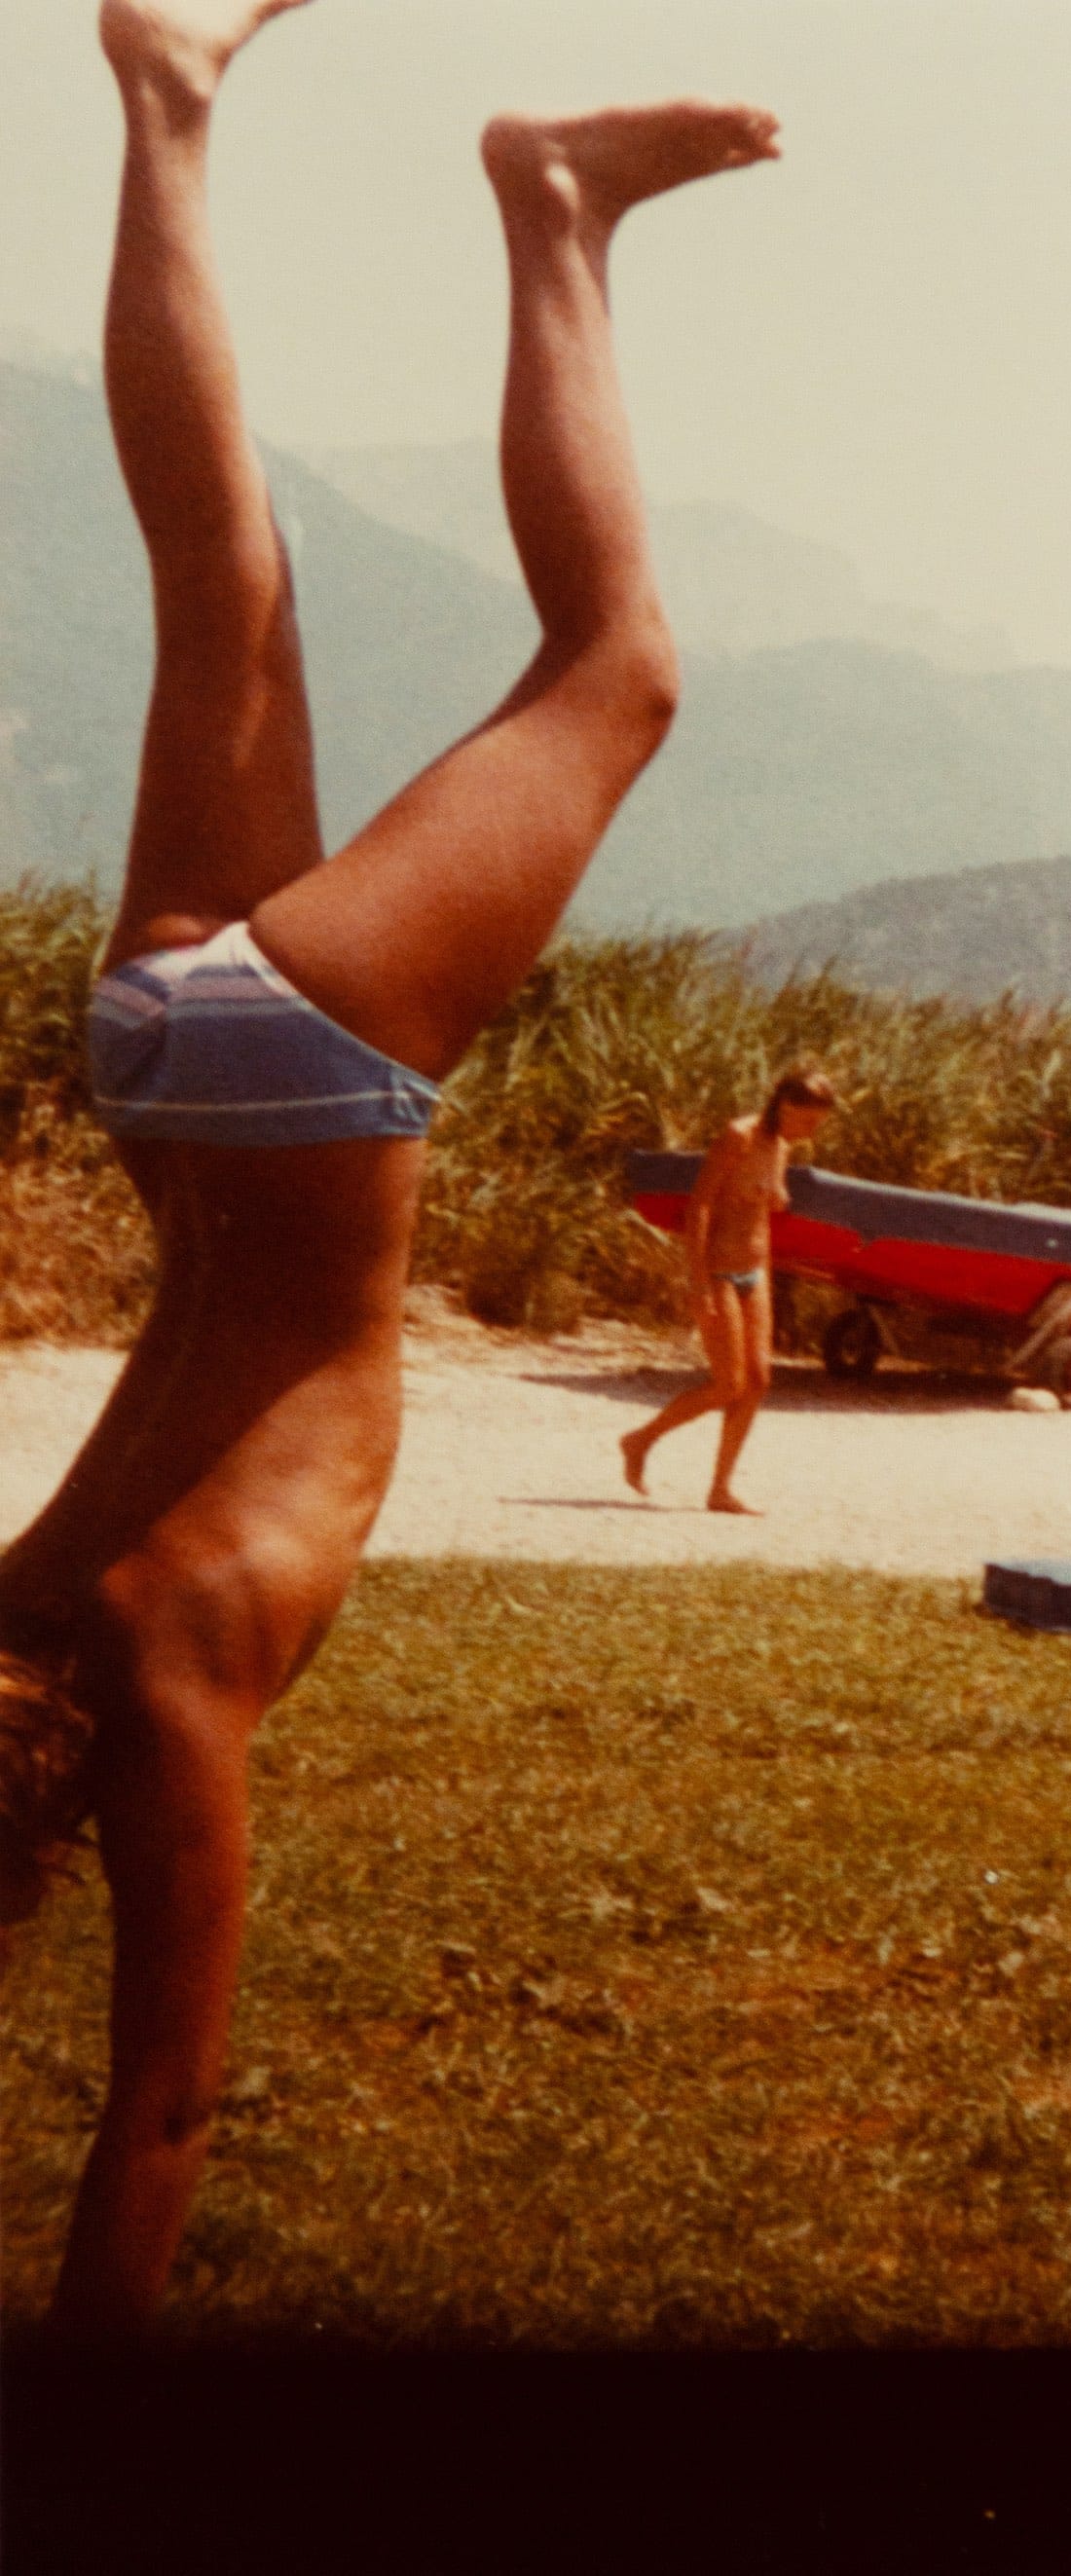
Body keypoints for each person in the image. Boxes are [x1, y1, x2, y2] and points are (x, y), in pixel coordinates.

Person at [0, 0, 779, 2335]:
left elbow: (165, 2113)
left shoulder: (155, 1693)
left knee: (619, 664)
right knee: (220, 571)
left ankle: (553, 201)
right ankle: (165, 94)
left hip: (313, 1084)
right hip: (161, 1060)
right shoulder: (26, 1609)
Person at [619, 1069, 835, 1512]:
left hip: (756, 1271)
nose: (813, 1132)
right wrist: (697, 1280)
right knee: (727, 1384)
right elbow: (698, 1207)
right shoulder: (738, 1135)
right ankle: (641, 1440)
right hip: (718, 1271)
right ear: (787, 1107)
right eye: (809, 1121)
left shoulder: (781, 1146)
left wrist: (774, 1198)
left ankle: (720, 1488)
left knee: (757, 1381)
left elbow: (765, 1205)